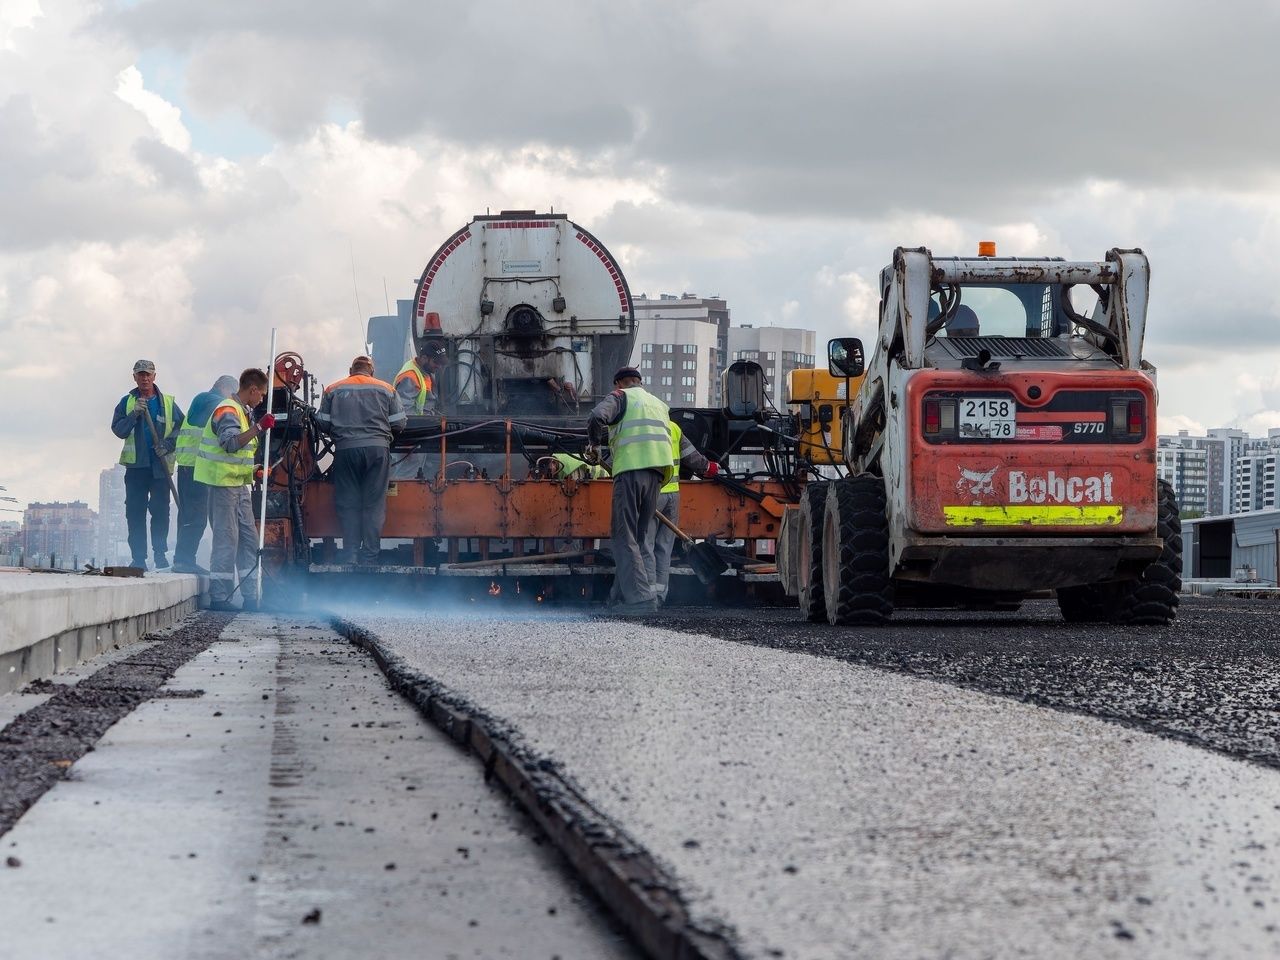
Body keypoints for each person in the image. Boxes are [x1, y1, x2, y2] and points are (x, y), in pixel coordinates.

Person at [586, 366, 674, 614]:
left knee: (623, 537)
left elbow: (596, 417)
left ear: (618, 383)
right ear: (639, 382)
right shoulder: (659, 404)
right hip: (657, 475)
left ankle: (640, 601)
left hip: (631, 471)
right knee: (640, 538)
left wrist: (594, 444)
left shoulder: (620, 397)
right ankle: (632, 597)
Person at [195, 368, 273, 611]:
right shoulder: (228, 409)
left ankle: (251, 597)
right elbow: (229, 444)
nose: (261, 400)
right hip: (223, 486)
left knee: (248, 541)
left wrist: (255, 469)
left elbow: (239, 454)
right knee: (227, 540)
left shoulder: (242, 411)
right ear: (252, 390)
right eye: (261, 395)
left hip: (239, 486)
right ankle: (219, 597)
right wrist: (259, 428)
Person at [316, 355, 406, 564]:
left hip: (346, 451)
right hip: (377, 451)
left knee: (348, 504)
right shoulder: (387, 389)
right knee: (373, 505)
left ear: (351, 370)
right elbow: (400, 423)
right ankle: (370, 556)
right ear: (371, 371)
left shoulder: (333, 389)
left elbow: (321, 423)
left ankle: (350, 554)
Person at [110, 359, 185, 570]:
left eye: (148, 374)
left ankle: (160, 554)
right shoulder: (126, 403)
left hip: (160, 468)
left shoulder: (168, 403)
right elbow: (119, 430)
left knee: (160, 511)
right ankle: (139, 558)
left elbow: (182, 428)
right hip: (136, 468)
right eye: (140, 374)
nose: (144, 378)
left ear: (154, 376)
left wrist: (168, 444)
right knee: (135, 512)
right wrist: (134, 413)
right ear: (134, 377)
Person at [647, 421, 720, 605]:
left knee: (645, 546)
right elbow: (692, 457)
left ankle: (645, 596)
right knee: (663, 547)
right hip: (673, 494)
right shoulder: (674, 427)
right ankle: (659, 596)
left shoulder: (646, 428)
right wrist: (709, 468)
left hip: (653, 493)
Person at [172, 375, 238, 575]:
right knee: (196, 517)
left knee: (190, 515)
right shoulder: (207, 399)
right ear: (223, 388)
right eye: (232, 394)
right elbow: (223, 407)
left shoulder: (204, 401)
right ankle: (183, 561)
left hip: (191, 467)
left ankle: (183, 559)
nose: (232, 399)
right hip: (194, 467)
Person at [391, 342, 446, 480]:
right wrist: (409, 439)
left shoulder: (424, 372)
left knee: (414, 473)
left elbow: (423, 404)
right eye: (436, 362)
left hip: (417, 433)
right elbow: (404, 412)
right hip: (410, 436)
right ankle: (402, 501)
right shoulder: (410, 377)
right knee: (406, 475)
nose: (438, 366)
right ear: (424, 358)